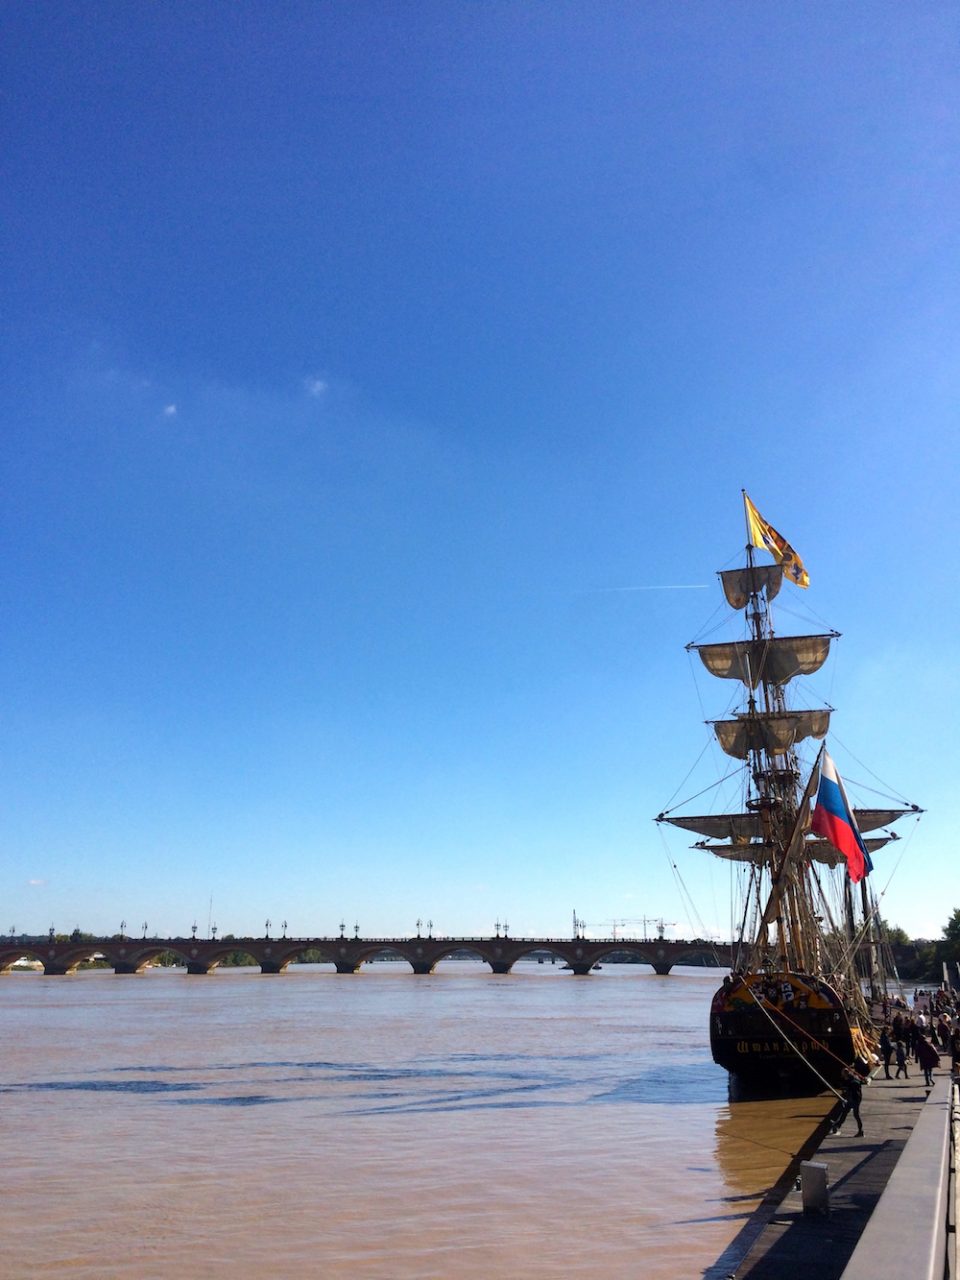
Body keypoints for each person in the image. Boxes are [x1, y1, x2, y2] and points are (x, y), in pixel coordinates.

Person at [830, 1066, 865, 1137]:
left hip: (855, 1099)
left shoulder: (852, 1082)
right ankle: (837, 1125)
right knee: (845, 1112)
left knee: (856, 1115)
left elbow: (854, 1091)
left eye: (843, 1074)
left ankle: (860, 1131)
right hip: (852, 1099)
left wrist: (848, 1097)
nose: (842, 1076)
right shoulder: (852, 1080)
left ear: (846, 1074)